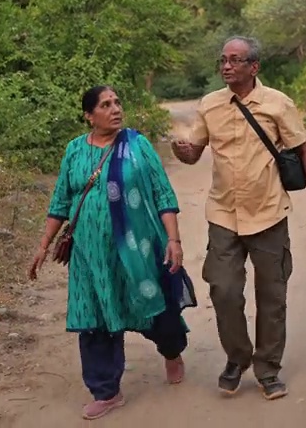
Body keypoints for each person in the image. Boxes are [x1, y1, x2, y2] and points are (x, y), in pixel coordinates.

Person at [171, 36, 306, 401]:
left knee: (272, 296)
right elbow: (194, 154)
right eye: (223, 60)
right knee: (223, 290)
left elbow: (303, 151)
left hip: (269, 213)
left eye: (235, 60)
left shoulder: (277, 104)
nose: (226, 66)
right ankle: (237, 357)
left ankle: (268, 369)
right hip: (223, 213)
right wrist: (184, 151)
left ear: (253, 67)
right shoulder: (210, 105)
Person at [28, 85, 197, 421]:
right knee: (95, 316)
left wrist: (173, 241)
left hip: (138, 251)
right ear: (89, 115)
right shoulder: (75, 150)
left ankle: (172, 351)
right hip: (90, 258)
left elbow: (163, 194)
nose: (116, 109)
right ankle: (106, 390)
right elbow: (61, 201)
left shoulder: (137, 145)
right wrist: (43, 245)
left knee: (155, 308)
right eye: (105, 105)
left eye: (118, 102)